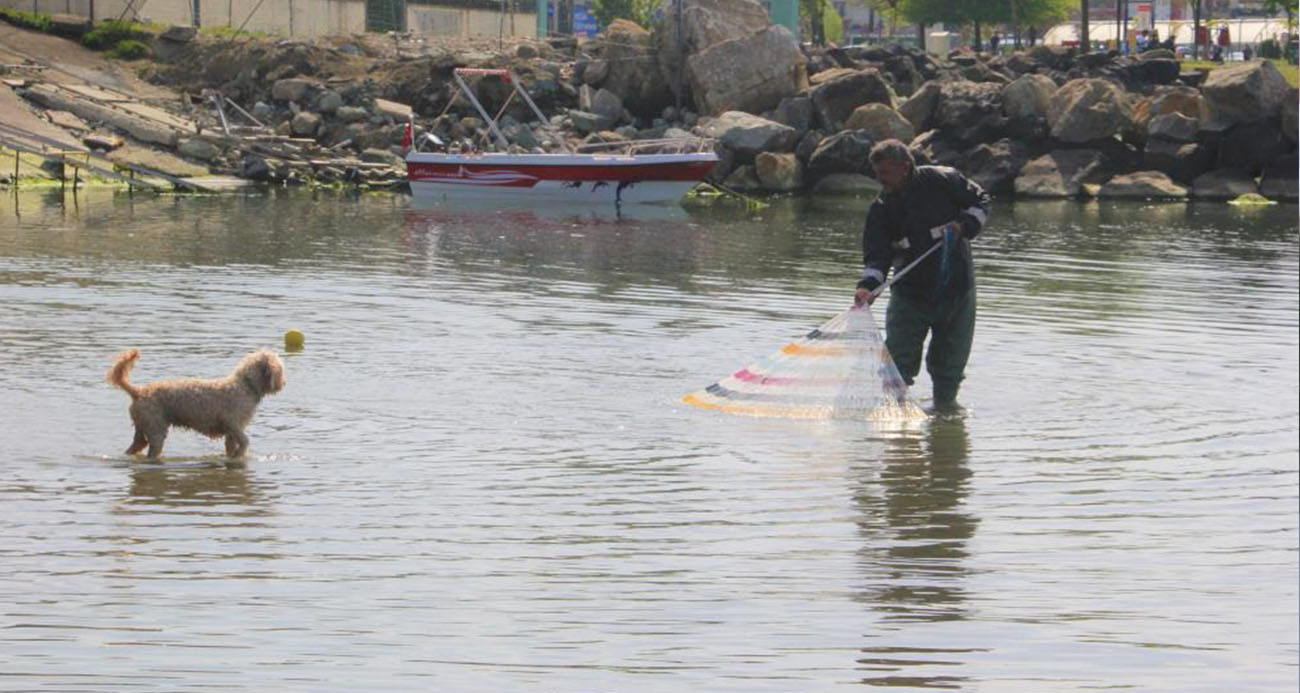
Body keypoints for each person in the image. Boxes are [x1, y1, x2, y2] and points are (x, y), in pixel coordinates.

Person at [854, 140, 990, 412]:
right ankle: (896, 424)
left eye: (885, 174)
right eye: (877, 174)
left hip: (957, 291)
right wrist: (868, 286)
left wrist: (966, 225)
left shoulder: (943, 180)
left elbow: (981, 201)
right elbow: (877, 256)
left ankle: (946, 411)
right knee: (897, 366)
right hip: (910, 296)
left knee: (949, 366)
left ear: (904, 167)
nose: (880, 180)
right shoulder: (881, 209)